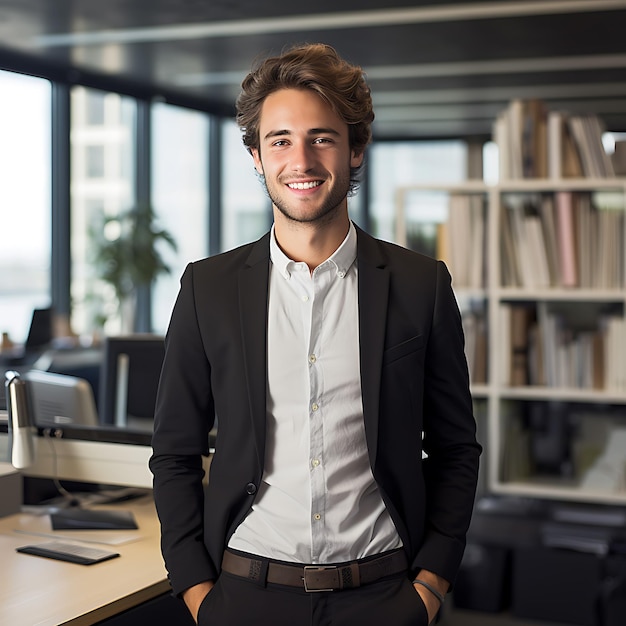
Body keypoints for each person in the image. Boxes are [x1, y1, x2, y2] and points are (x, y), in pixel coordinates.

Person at [150, 42, 481, 626]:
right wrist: (198, 591)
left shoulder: (420, 284)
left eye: (321, 137)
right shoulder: (208, 288)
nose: (300, 159)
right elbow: (175, 452)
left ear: (356, 148)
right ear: (256, 155)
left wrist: (430, 585)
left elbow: (455, 450)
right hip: (243, 596)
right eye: (279, 140)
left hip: (382, 596)